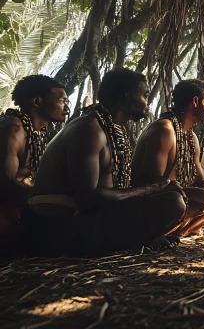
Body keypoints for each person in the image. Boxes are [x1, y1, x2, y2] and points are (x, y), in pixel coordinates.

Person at [22, 69, 186, 256]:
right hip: (56, 227)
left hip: (87, 219)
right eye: (144, 95)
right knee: (173, 203)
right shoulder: (89, 129)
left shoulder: (112, 129)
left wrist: (160, 189)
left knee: (173, 194)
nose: (147, 102)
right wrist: (149, 189)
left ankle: (139, 239)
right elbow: (88, 196)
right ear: (125, 98)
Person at [131, 80, 204, 237]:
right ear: (195, 101)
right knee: (203, 198)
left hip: (181, 196)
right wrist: (202, 196)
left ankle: (181, 232)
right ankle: (166, 232)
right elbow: (153, 183)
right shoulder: (164, 129)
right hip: (156, 202)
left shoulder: (191, 137)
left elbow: (200, 176)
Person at [0, 75, 69, 254]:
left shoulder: (40, 132)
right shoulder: (14, 129)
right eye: (62, 101)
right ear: (37, 101)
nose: (67, 108)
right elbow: (4, 182)